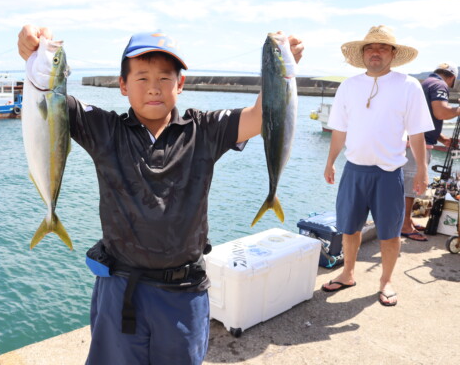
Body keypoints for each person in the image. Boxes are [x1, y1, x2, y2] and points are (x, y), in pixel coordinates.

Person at [18, 26, 303, 364]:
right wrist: (32, 55)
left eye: (165, 78)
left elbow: (260, 117)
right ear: (122, 86)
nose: (153, 87)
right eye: (141, 78)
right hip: (120, 289)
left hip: (184, 294)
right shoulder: (104, 129)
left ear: (180, 84)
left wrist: (281, 69)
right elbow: (50, 98)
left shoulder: (205, 129)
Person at [321, 25, 434, 307]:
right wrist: (330, 161)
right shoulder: (349, 86)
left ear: (393, 54)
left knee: (390, 233)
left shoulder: (409, 85)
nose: (375, 52)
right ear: (362, 54)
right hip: (354, 170)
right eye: (370, 47)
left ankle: (386, 281)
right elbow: (339, 130)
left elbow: (417, 132)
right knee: (348, 229)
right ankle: (347, 273)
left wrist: (422, 169)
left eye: (383, 47)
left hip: (389, 173)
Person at [401, 62, 459, 241]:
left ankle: (406, 220)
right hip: (417, 145)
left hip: (413, 140)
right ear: (452, 78)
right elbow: (441, 112)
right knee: (411, 187)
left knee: (409, 184)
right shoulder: (440, 85)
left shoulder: (426, 83)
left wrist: (443, 139)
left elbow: (426, 117)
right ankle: (404, 226)